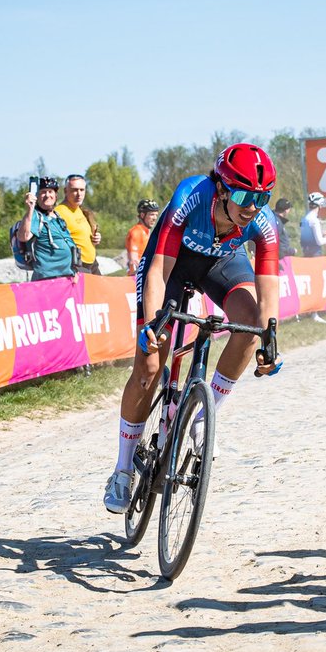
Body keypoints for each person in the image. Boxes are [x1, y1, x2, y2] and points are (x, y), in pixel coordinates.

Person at [103, 143, 282, 513]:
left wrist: (271, 340)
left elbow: (268, 292)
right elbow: (157, 270)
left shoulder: (262, 223)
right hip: (172, 263)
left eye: (262, 197)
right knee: (150, 366)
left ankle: (204, 415)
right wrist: (153, 324)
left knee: (249, 328)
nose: (252, 205)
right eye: (244, 195)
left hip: (222, 263)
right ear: (221, 188)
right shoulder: (192, 195)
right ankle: (122, 469)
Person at [18, 176, 77, 281]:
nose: (47, 195)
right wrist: (30, 209)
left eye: (50, 192)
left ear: (55, 195)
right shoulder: (35, 216)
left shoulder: (58, 218)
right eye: (43, 192)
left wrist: (74, 270)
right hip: (47, 280)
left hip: (67, 277)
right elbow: (24, 236)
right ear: (37, 195)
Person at [56, 174, 102, 274]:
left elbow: (80, 235)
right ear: (65, 191)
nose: (79, 194)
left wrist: (95, 238)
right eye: (74, 190)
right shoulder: (59, 212)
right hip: (77, 266)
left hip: (92, 263)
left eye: (82, 190)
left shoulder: (80, 209)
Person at [299, 192, 326, 322]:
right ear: (320, 204)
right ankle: (315, 314)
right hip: (315, 254)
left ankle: (312, 312)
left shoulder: (305, 218)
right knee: (317, 283)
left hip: (307, 253)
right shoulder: (314, 220)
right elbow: (319, 241)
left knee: (311, 283)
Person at [125, 199, 159, 274]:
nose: (155, 218)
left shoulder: (146, 231)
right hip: (137, 277)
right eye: (152, 214)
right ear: (142, 215)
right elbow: (133, 262)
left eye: (156, 215)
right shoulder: (136, 232)